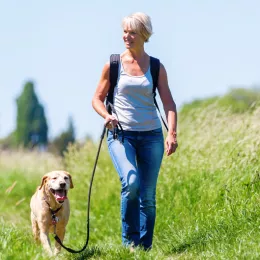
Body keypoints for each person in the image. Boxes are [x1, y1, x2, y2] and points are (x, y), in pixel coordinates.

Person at [92, 12, 178, 251]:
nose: (126, 36)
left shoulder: (156, 66)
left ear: (144, 35)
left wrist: (172, 133)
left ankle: (144, 248)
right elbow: (97, 99)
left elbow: (169, 103)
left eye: (132, 32)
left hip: (151, 135)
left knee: (148, 197)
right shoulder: (113, 64)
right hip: (122, 135)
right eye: (124, 32)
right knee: (131, 183)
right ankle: (129, 243)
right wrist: (106, 115)